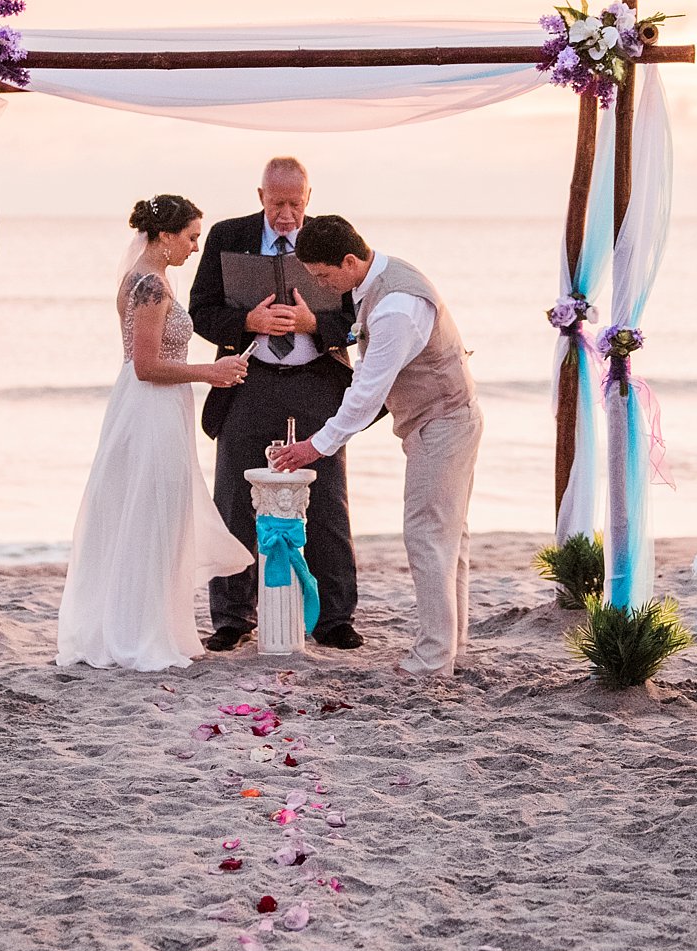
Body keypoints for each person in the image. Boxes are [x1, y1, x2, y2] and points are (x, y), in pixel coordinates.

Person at [270, 216, 483, 678]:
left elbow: (366, 392)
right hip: (441, 419)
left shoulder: (395, 308)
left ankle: (431, 660)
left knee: (427, 536)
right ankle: (452, 645)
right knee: (447, 536)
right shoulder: (380, 282)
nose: (323, 286)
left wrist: (317, 446)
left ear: (350, 260)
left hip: (443, 421)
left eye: (324, 276)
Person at [57, 195, 252, 671]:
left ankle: (153, 622)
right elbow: (145, 366)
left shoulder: (150, 279)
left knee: (158, 514)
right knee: (153, 515)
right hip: (151, 411)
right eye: (190, 237)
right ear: (165, 236)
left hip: (157, 407)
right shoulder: (150, 286)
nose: (194, 246)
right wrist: (211, 371)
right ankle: (140, 631)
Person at [188, 157, 364, 652]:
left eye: (295, 202)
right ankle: (232, 617)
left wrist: (314, 324)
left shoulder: (332, 239)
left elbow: (360, 315)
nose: (286, 214)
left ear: (309, 196)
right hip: (249, 379)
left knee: (328, 498)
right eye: (276, 202)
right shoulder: (227, 235)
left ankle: (334, 618)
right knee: (234, 497)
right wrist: (250, 322)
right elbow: (200, 311)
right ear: (260, 196)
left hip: (317, 381)